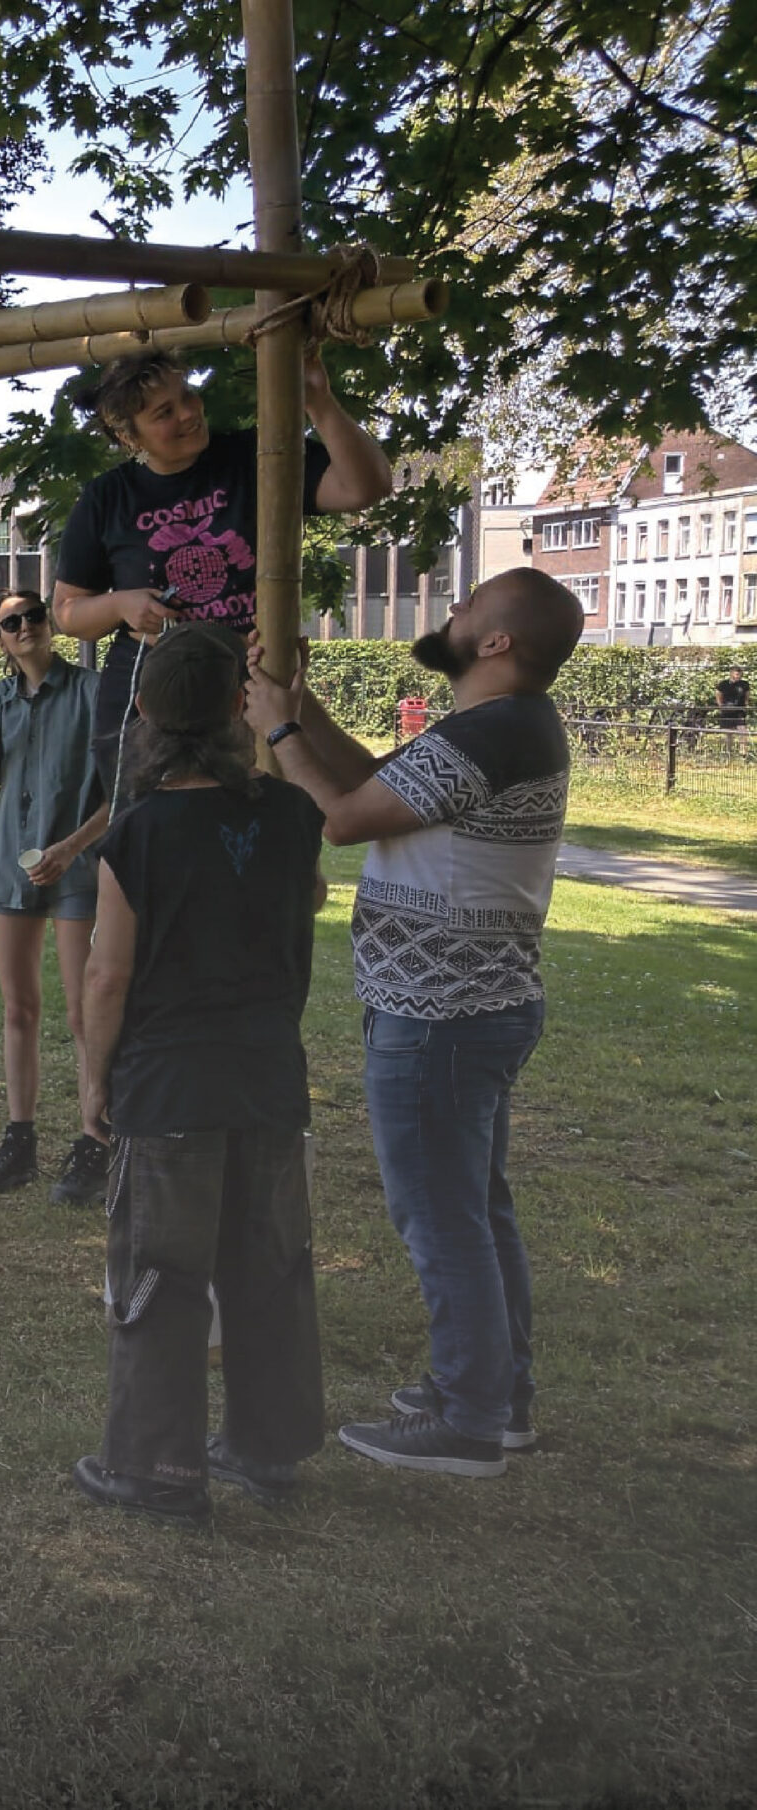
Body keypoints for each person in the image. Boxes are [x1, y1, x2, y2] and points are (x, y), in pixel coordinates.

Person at [246, 569, 585, 1478]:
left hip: (443, 1015)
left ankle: (469, 1418)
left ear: (499, 642)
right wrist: (301, 705)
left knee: (441, 1214)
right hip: (464, 1009)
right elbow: (374, 781)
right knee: (476, 1206)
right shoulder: (490, 730)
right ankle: (496, 1397)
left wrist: (275, 728)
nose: (455, 608)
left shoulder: (501, 730)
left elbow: (345, 818)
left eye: (471, 603)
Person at [72, 625, 329, 1528]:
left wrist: (93, 1081)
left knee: (160, 1276)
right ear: (235, 709)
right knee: (272, 1268)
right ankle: (269, 1447)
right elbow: (303, 900)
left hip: (169, 1084)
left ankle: (152, 1467)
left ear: (141, 712)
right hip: (267, 1077)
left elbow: (108, 974)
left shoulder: (137, 831)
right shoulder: (296, 815)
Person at [51, 349, 393, 795]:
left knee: (259, 824)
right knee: (150, 832)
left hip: (251, 680)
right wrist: (121, 604)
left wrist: (320, 404)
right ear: (129, 435)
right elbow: (68, 613)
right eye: (165, 412)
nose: (190, 413)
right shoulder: (106, 498)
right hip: (152, 689)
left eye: (188, 395)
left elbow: (365, 486)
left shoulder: (255, 455)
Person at [0, 589, 111, 1199]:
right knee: (19, 1009)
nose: (23, 627)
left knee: (81, 1014)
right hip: (11, 869)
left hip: (76, 869)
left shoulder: (92, 692)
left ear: (50, 624)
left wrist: (70, 849)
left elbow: (120, 791)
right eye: (9, 623)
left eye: (33, 616)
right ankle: (20, 1140)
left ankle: (95, 1141)